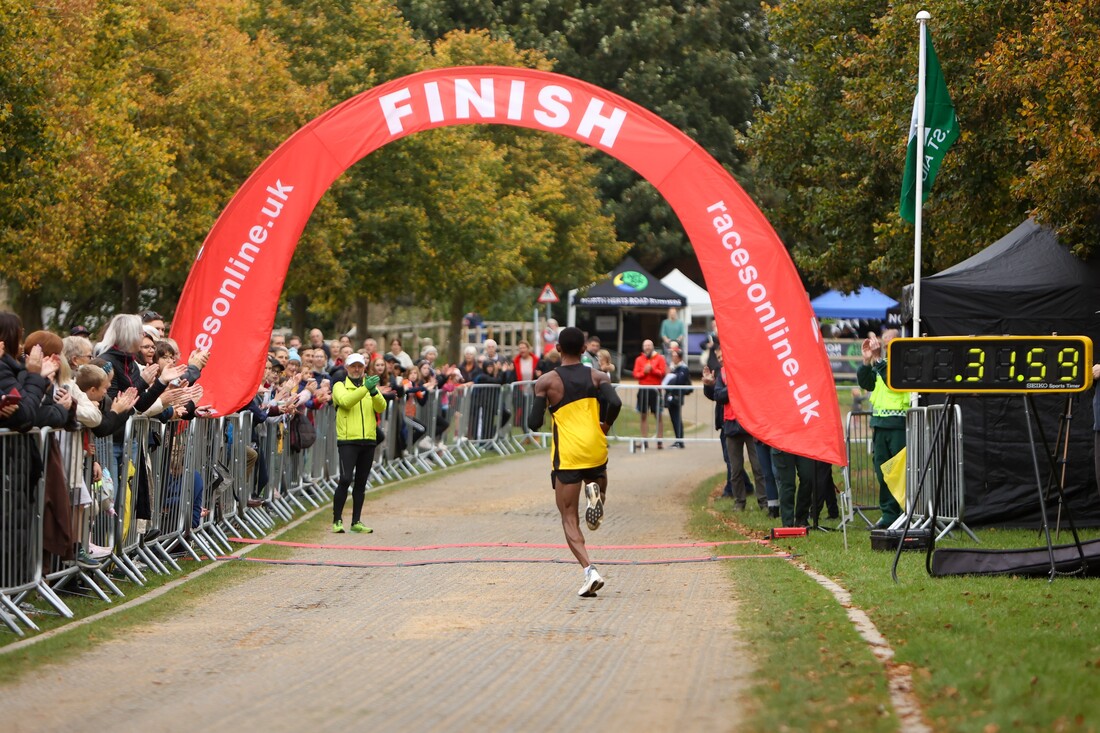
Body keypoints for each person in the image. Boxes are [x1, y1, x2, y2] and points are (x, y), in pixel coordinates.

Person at [528, 326, 622, 597]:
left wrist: (545, 405)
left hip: (569, 455)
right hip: (595, 447)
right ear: (583, 349)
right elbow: (615, 403)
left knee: (569, 517)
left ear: (558, 349)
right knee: (597, 483)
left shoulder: (546, 382)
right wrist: (605, 424)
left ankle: (590, 570)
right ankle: (596, 494)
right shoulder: (598, 376)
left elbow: (533, 422)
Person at [856, 329, 906, 528]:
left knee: (899, 472)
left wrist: (877, 360)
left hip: (899, 424)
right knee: (882, 471)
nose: (884, 348)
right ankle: (889, 514)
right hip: (880, 424)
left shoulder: (904, 363)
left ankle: (905, 512)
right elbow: (866, 383)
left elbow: (893, 382)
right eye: (884, 345)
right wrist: (866, 361)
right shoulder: (880, 363)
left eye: (889, 344)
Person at [330, 353, 385, 534]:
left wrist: (374, 391)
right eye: (353, 366)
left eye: (359, 366)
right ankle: (337, 520)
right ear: (347, 368)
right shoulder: (339, 386)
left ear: (364, 368)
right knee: (346, 479)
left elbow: (381, 407)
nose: (356, 369)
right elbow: (346, 402)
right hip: (348, 440)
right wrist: (365, 389)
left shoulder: (369, 386)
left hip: (368, 439)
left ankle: (356, 521)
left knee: (361, 482)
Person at [632, 339, 667, 448]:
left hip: (655, 390)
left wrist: (653, 370)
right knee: (643, 415)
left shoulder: (660, 358)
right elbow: (635, 374)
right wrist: (644, 372)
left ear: (652, 347)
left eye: (649, 345)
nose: (647, 347)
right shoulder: (639, 359)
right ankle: (644, 440)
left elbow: (663, 372)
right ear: (643, 347)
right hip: (643, 389)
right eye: (645, 345)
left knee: (658, 415)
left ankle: (659, 441)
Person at [664, 347, 691, 448]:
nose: (673, 358)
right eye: (672, 356)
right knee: (674, 418)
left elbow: (680, 381)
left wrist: (672, 376)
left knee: (677, 418)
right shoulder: (672, 367)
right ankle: (678, 439)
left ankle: (680, 440)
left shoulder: (683, 368)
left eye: (675, 356)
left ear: (679, 357)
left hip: (677, 396)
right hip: (670, 396)